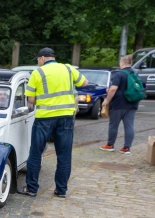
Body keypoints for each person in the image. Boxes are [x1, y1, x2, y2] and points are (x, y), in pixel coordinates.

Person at [18, 47, 88, 198]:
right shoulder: (68, 69)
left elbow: (31, 100)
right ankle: (61, 190)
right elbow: (84, 83)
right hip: (66, 118)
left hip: (44, 118)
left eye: (37, 60)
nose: (38, 62)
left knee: (36, 153)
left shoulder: (38, 73)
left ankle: (32, 189)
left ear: (42, 58)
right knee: (64, 155)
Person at [100, 55, 140, 155]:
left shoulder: (119, 74)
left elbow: (113, 89)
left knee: (113, 125)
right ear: (130, 63)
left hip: (118, 104)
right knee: (129, 126)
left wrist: (107, 100)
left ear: (121, 63)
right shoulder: (135, 73)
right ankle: (126, 148)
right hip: (132, 103)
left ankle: (110, 145)